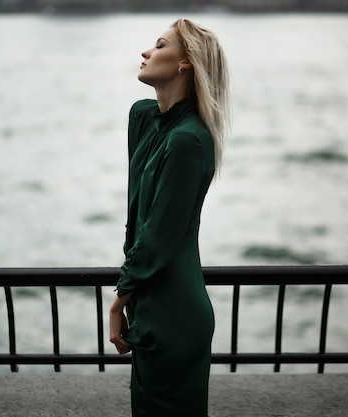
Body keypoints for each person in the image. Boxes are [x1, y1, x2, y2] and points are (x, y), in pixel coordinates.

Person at [108, 19, 230, 417]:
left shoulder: (188, 140)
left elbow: (157, 236)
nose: (146, 52)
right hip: (151, 307)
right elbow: (137, 214)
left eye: (159, 45)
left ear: (185, 63)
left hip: (174, 314)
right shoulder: (148, 121)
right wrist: (133, 298)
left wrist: (117, 302)